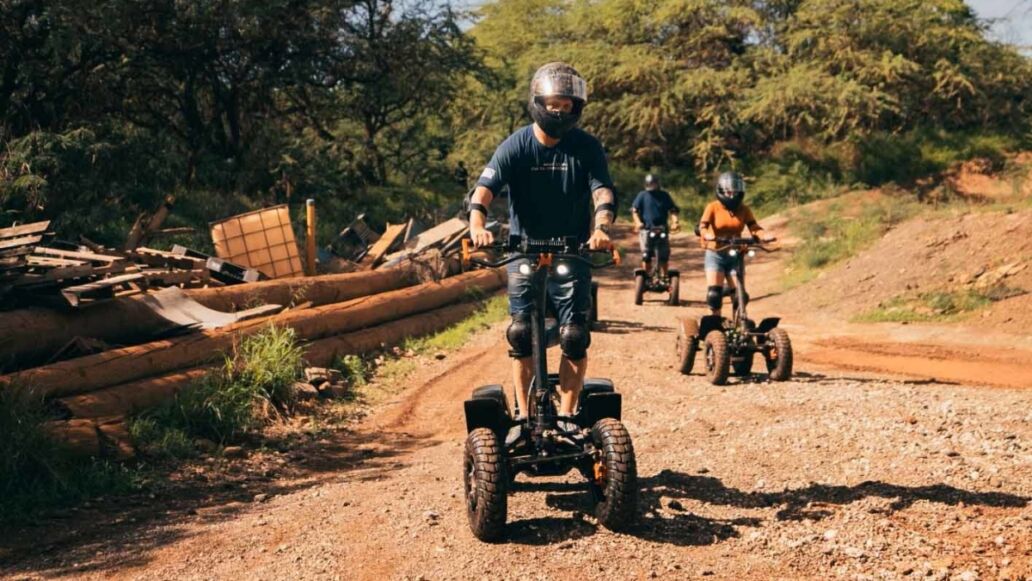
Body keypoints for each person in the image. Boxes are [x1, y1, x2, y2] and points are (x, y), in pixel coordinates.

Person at [468, 62, 616, 431]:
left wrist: (601, 228)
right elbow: (486, 187)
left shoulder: (586, 147)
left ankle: (566, 417)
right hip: (524, 251)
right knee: (521, 333)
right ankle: (522, 414)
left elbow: (602, 191)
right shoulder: (516, 144)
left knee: (575, 336)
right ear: (538, 102)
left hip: (572, 250)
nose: (559, 111)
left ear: (575, 107)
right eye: (553, 103)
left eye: (567, 105)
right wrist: (477, 224)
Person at [698, 171, 772, 316]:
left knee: (740, 295)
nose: (732, 193)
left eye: (735, 189)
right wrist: (707, 235)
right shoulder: (712, 207)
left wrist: (764, 236)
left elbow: (754, 227)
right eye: (728, 190)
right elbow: (703, 226)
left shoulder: (744, 209)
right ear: (721, 190)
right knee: (714, 294)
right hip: (715, 253)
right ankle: (715, 323)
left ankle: (739, 324)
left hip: (735, 255)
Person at [631, 173, 680, 277]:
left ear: (658, 184)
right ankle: (646, 277)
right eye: (650, 184)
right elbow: (634, 211)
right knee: (646, 255)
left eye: (653, 183)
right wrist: (638, 222)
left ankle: (665, 276)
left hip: (662, 229)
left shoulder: (664, 195)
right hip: (647, 229)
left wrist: (675, 222)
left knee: (664, 255)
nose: (652, 186)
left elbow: (673, 210)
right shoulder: (642, 195)